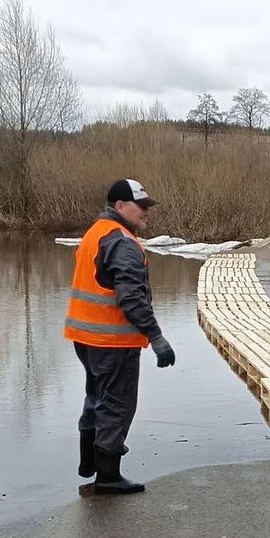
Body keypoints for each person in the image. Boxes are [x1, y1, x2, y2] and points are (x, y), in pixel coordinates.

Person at [64, 179, 176, 495]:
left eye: (147, 207)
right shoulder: (122, 241)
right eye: (141, 207)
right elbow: (131, 299)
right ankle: (108, 476)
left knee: (97, 398)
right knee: (116, 405)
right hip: (113, 342)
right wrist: (157, 338)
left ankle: (90, 462)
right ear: (120, 206)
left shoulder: (95, 233)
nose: (146, 213)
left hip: (87, 337)